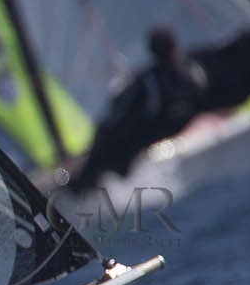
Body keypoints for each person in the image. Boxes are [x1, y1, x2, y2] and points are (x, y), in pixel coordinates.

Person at [71, 26, 208, 188]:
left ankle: (81, 188)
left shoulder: (147, 80)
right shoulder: (190, 70)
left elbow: (118, 112)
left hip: (144, 141)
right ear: (174, 46)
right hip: (161, 140)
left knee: (104, 149)